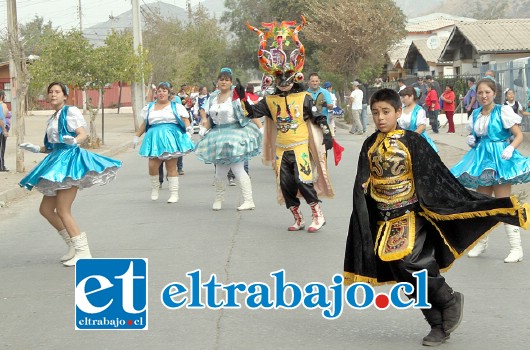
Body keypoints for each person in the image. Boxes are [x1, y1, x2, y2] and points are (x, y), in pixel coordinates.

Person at [344, 88, 529, 346]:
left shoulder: (412, 141)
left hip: (410, 213)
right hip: (384, 219)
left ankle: (449, 299)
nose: (380, 118)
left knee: (410, 262)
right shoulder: (369, 144)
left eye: (385, 112)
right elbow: (363, 180)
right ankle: (437, 323)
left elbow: (434, 175)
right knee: (401, 272)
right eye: (375, 113)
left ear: (398, 112)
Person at [18, 82, 122, 267]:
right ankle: (73, 246)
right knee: (46, 210)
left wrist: (74, 140)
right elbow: (51, 147)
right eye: (50, 92)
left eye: (57, 92)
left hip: (69, 163)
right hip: (56, 161)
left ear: (65, 95)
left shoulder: (71, 111)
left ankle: (84, 252)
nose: (53, 95)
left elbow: (83, 134)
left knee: (63, 210)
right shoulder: (52, 118)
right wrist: (36, 148)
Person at [247, 16, 334, 232]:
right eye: (280, 80)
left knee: (303, 181)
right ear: (274, 80)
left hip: (300, 146)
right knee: (285, 185)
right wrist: (241, 100)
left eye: (288, 78)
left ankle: (318, 215)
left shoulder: (304, 97)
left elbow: (318, 117)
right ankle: (298, 217)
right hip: (281, 150)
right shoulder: (270, 100)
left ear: (295, 78)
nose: (284, 83)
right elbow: (251, 113)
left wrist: (326, 134)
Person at [451, 78, 530, 263]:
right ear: (476, 94)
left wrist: (510, 148)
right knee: (482, 203)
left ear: (494, 93)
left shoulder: (503, 111)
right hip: (481, 160)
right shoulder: (476, 113)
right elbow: (476, 136)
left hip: (500, 159)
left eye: (487, 92)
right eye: (480, 92)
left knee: (503, 203)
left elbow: (518, 135)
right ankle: (481, 242)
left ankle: (516, 247)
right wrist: (472, 140)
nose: (483, 96)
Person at [196, 68, 262, 211]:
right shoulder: (213, 97)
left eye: (226, 80)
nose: (223, 82)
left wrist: (260, 127)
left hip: (235, 134)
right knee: (219, 171)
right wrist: (203, 129)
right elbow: (209, 118)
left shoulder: (236, 95)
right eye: (221, 79)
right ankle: (219, 199)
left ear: (231, 82)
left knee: (238, 168)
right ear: (217, 82)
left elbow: (249, 112)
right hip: (218, 135)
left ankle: (249, 200)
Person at [134, 82, 195, 203]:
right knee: (152, 165)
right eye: (159, 91)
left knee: (171, 166)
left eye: (164, 91)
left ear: (168, 93)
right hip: (154, 138)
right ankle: (155, 188)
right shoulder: (150, 107)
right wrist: (136, 136)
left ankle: (174, 193)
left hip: (171, 138)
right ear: (156, 94)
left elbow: (185, 119)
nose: (161, 93)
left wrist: (188, 130)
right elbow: (145, 123)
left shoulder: (175, 106)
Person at [399, 86, 438, 152]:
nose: (402, 100)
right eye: (401, 97)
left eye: (403, 97)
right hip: (403, 141)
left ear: (411, 96)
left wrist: (410, 138)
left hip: (417, 141)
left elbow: (422, 127)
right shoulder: (401, 110)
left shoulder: (419, 111)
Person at [0, 90, 9, 171]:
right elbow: (1, 120)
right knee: (1, 149)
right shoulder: (2, 105)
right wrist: (4, 130)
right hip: (0, 131)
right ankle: (1, 166)